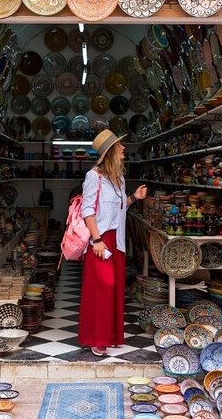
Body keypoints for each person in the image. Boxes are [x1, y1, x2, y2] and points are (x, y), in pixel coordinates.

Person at [78, 129, 147, 356]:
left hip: (116, 240)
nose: (124, 148)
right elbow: (87, 211)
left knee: (115, 288)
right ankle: (96, 338)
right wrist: (96, 240)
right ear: (109, 152)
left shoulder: (119, 178)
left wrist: (133, 198)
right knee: (102, 287)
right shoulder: (94, 177)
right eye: (119, 146)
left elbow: (118, 207)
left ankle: (112, 337)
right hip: (101, 239)